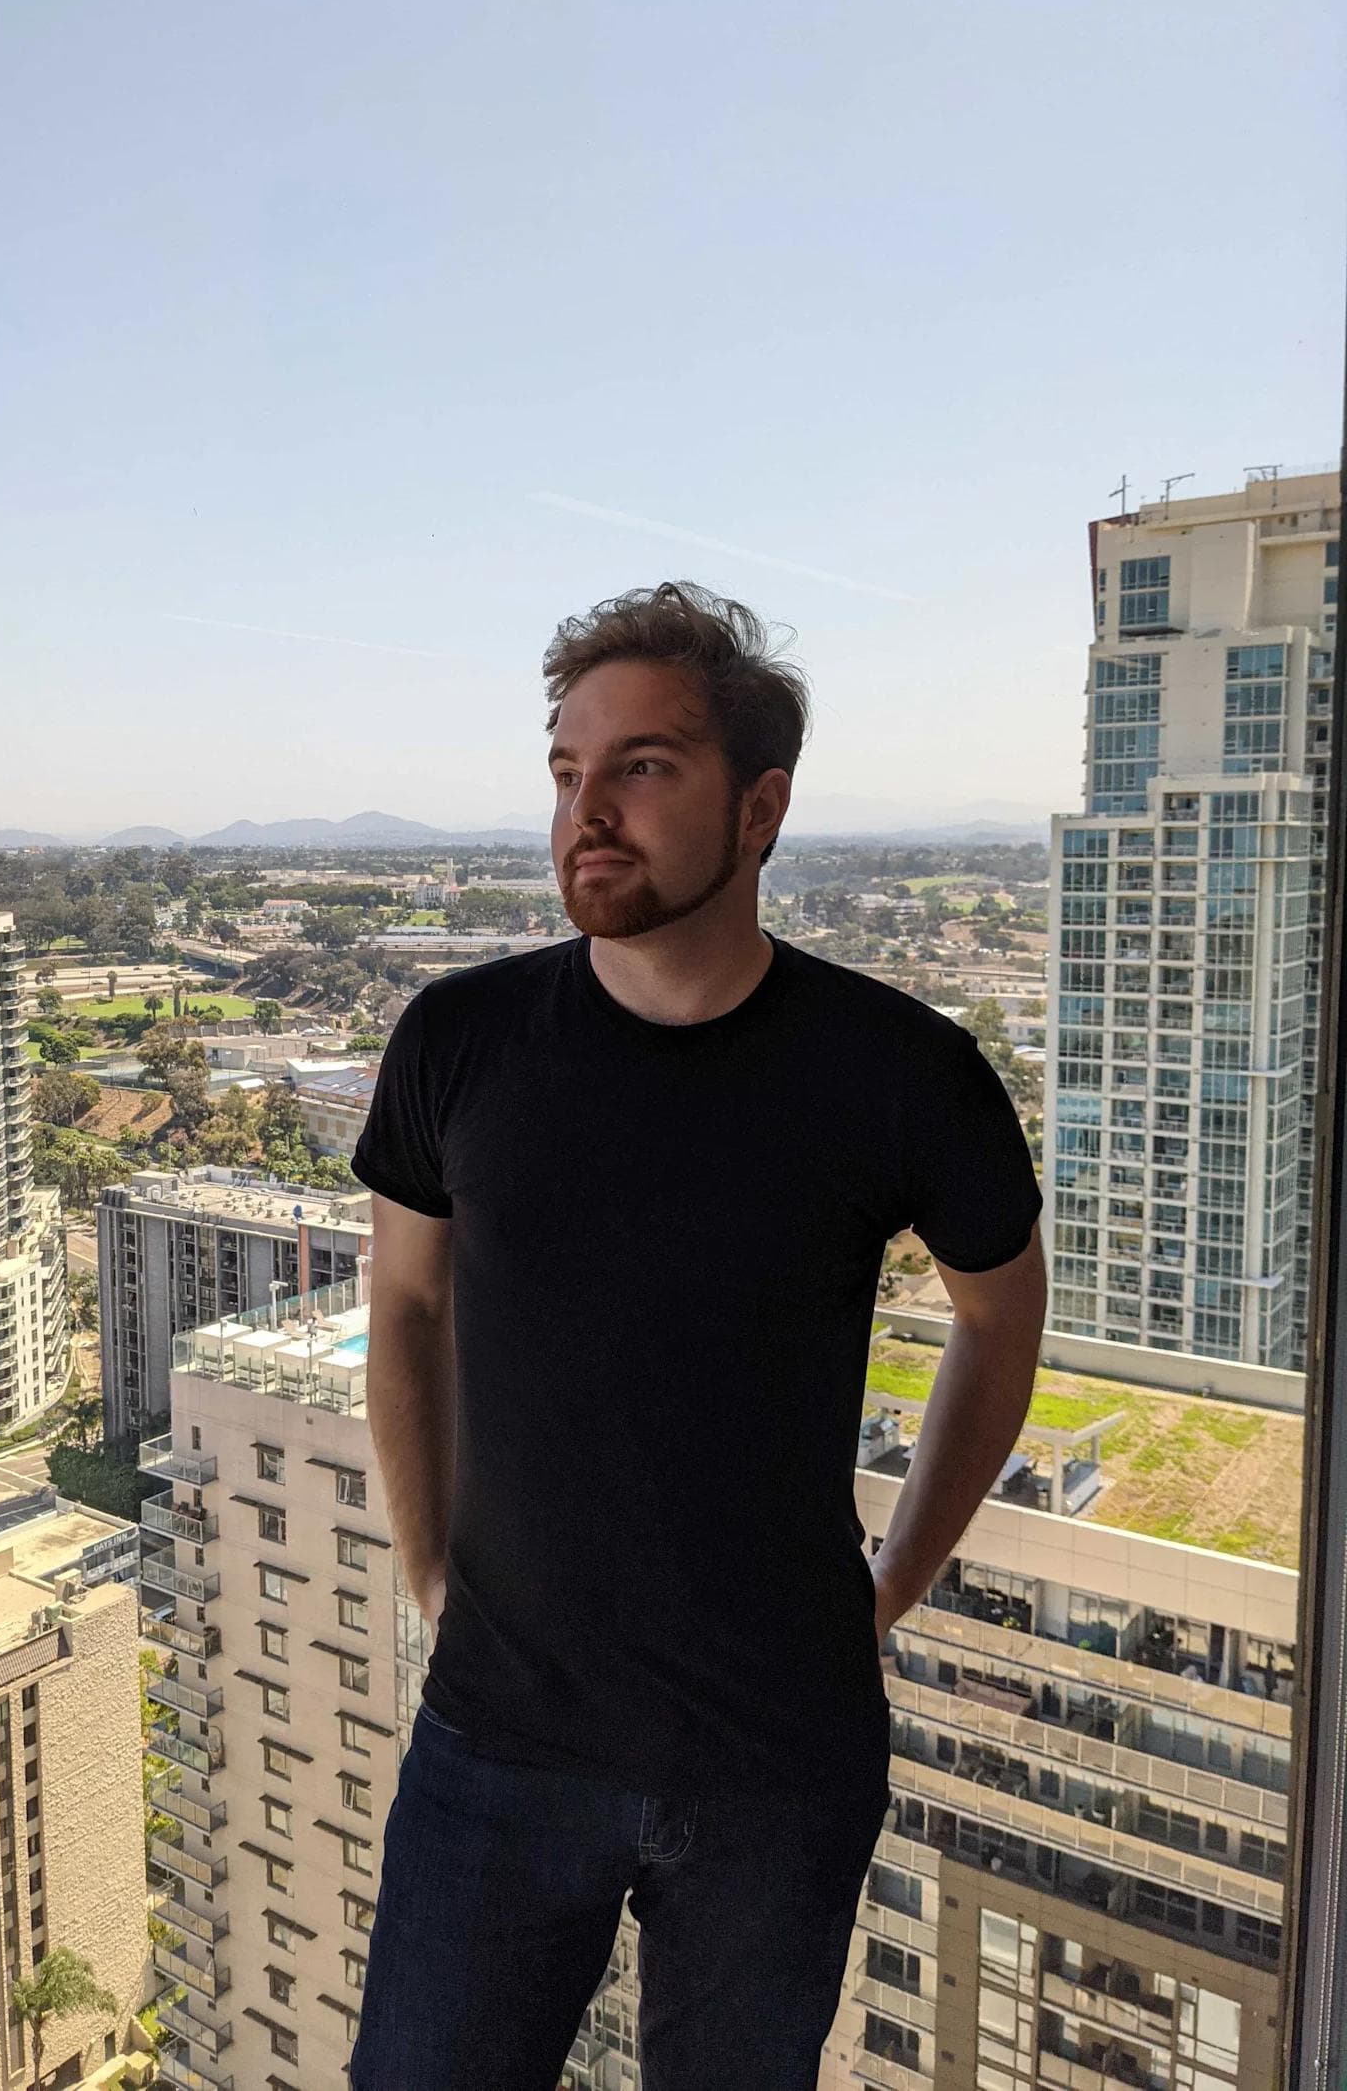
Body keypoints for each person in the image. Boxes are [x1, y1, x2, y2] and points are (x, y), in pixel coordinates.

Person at [347, 581, 1047, 2090]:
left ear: (761, 807)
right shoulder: (460, 1044)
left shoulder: (901, 1072)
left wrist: (892, 1583)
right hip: (498, 1743)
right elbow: (402, 1306)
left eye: (643, 767)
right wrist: (427, 1571)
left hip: (776, 1763)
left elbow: (1003, 1315)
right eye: (566, 772)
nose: (587, 811)